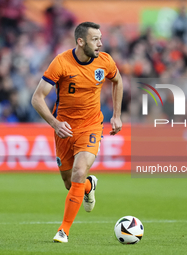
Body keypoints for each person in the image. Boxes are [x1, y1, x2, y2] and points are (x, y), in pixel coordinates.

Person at [31, 22, 123, 242]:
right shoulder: (61, 63)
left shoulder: (105, 61)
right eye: (95, 39)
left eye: (100, 38)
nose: (100, 43)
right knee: (70, 183)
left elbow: (118, 81)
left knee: (79, 172)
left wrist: (117, 115)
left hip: (91, 125)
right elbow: (37, 98)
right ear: (81, 41)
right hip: (64, 129)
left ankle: (64, 230)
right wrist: (55, 124)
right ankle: (89, 186)